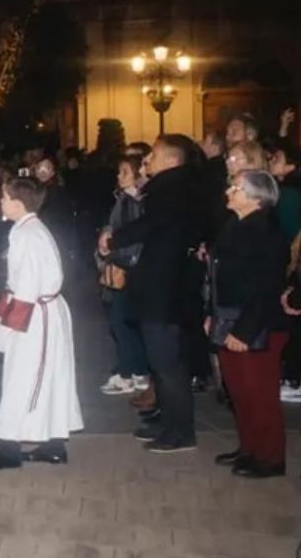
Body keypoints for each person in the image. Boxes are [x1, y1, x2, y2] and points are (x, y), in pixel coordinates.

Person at [99, 134, 202, 453]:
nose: (147, 161)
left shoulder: (171, 190)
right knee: (162, 360)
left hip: (165, 287)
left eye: (153, 156)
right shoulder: (173, 188)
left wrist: (116, 238)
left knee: (166, 360)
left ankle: (180, 431)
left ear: (172, 160)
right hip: (165, 284)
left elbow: (152, 226)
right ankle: (168, 420)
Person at [0, 177, 83, 469]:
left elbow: (26, 289)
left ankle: (8, 448)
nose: (1, 202)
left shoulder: (26, 235)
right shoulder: (29, 229)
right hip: (43, 312)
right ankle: (53, 445)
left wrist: (7, 329)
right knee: (46, 379)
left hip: (35, 316)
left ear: (18, 204)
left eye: (5, 198)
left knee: (21, 378)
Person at [208, 170, 290, 478]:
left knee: (260, 393)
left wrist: (244, 330)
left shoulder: (266, 232)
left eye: (237, 188)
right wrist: (212, 315)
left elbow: (266, 287)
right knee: (239, 391)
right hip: (228, 317)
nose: (229, 191)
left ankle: (270, 457)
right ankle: (250, 448)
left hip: (256, 325)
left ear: (257, 199)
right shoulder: (235, 224)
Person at [97, 155, 150, 396]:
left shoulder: (132, 202)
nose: (119, 176)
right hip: (127, 265)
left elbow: (130, 235)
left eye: (125, 172)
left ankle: (130, 372)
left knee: (121, 321)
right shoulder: (124, 200)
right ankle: (135, 370)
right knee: (125, 321)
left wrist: (115, 253)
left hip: (126, 266)